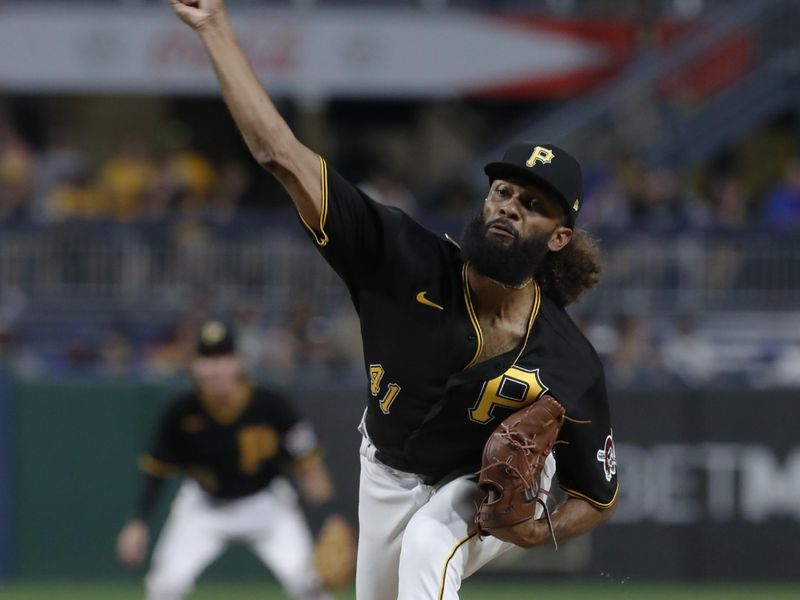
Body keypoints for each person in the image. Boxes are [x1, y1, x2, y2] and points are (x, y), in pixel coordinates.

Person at [167, 2, 619, 599]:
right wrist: (214, 27)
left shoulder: (570, 363)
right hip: (385, 466)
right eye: (503, 191)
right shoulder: (401, 257)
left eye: (533, 204)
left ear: (560, 237)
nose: (509, 205)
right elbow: (280, 153)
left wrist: (542, 530)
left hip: (475, 485)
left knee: (432, 544)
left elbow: (598, 497)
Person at [116, 320, 338, 600]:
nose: (215, 368)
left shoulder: (272, 405)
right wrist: (138, 522)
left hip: (267, 505)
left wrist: (332, 518)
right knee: (164, 586)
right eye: (206, 359)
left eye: (223, 357)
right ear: (194, 366)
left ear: (239, 363)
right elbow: (157, 472)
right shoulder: (181, 412)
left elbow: (309, 466)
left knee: (311, 586)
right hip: (205, 507)